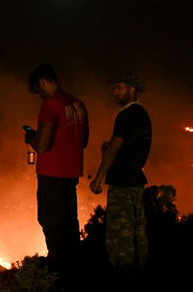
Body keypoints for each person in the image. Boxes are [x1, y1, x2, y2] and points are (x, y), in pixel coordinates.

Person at [24, 64, 89, 282]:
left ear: (42, 82)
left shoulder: (50, 105)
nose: (38, 95)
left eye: (36, 90)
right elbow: (84, 141)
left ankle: (59, 279)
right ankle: (75, 276)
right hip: (70, 176)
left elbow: (42, 145)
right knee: (70, 227)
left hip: (51, 176)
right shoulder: (78, 105)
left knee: (52, 226)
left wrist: (31, 137)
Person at [90, 72, 152, 276]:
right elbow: (129, 147)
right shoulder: (143, 115)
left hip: (123, 184)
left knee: (120, 238)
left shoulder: (126, 115)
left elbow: (114, 150)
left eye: (119, 87)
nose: (114, 92)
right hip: (135, 182)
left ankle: (124, 277)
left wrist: (98, 178)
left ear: (132, 89)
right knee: (137, 233)